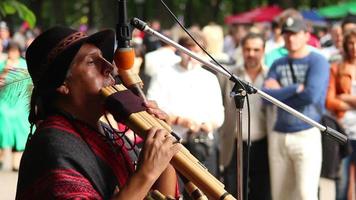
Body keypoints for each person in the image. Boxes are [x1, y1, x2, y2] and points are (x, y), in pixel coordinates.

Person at [16, 26, 180, 199]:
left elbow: (160, 195)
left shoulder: (109, 133)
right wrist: (146, 174)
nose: (109, 66)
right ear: (63, 84)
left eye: (104, 58)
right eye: (91, 62)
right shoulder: (51, 146)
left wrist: (165, 147)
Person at [147, 31, 224, 197]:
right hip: (173, 145)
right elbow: (152, 107)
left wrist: (205, 124)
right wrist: (180, 120)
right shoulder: (163, 74)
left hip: (202, 146)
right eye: (188, 50)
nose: (191, 56)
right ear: (179, 50)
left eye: (196, 51)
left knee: (204, 193)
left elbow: (218, 115)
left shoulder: (209, 78)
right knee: (172, 193)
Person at [262, 17, 329, 200]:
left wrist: (279, 92)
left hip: (306, 133)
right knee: (280, 195)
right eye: (287, 34)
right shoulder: (278, 63)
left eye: (295, 34)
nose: (291, 38)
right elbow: (265, 98)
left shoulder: (318, 62)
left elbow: (311, 96)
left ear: (306, 35)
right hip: (279, 135)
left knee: (306, 194)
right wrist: (294, 89)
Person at [218, 32, 271, 199]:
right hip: (235, 144)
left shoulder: (270, 76)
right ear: (242, 50)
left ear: (263, 51)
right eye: (247, 49)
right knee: (232, 191)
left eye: (256, 49)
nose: (251, 54)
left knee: (261, 192)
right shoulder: (229, 75)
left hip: (263, 144)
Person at [326, 29, 356, 200]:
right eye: (350, 43)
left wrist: (347, 97)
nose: (354, 47)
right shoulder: (337, 68)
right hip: (344, 128)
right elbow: (329, 101)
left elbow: (338, 98)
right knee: (343, 181)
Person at [0, 41, 31, 171]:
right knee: (3, 125)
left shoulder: (24, 65)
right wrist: (7, 70)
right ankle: (1, 158)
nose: (13, 54)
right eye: (11, 51)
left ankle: (16, 161)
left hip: (19, 103)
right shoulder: (3, 65)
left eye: (15, 51)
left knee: (20, 127)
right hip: (5, 102)